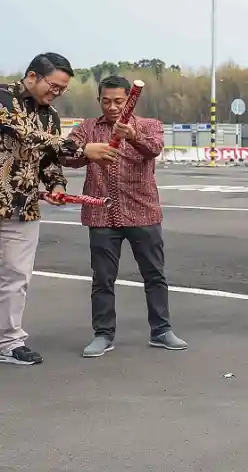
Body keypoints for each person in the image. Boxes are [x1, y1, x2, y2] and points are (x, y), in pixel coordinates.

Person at [0, 53, 118, 366]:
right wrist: (82, 149)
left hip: (22, 206)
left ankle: (9, 343)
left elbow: (48, 158)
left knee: (16, 277)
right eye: (54, 85)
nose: (57, 93)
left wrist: (57, 185)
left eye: (62, 89)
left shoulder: (50, 115)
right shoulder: (2, 98)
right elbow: (24, 135)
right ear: (32, 76)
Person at [64, 76, 187, 357]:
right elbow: (65, 156)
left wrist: (133, 135)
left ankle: (161, 330)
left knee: (154, 275)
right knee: (103, 279)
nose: (112, 107)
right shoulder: (87, 128)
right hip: (101, 215)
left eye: (119, 101)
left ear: (129, 100)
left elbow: (154, 148)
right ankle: (103, 334)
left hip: (143, 212)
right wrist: (87, 152)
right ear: (99, 101)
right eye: (106, 101)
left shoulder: (149, 125)